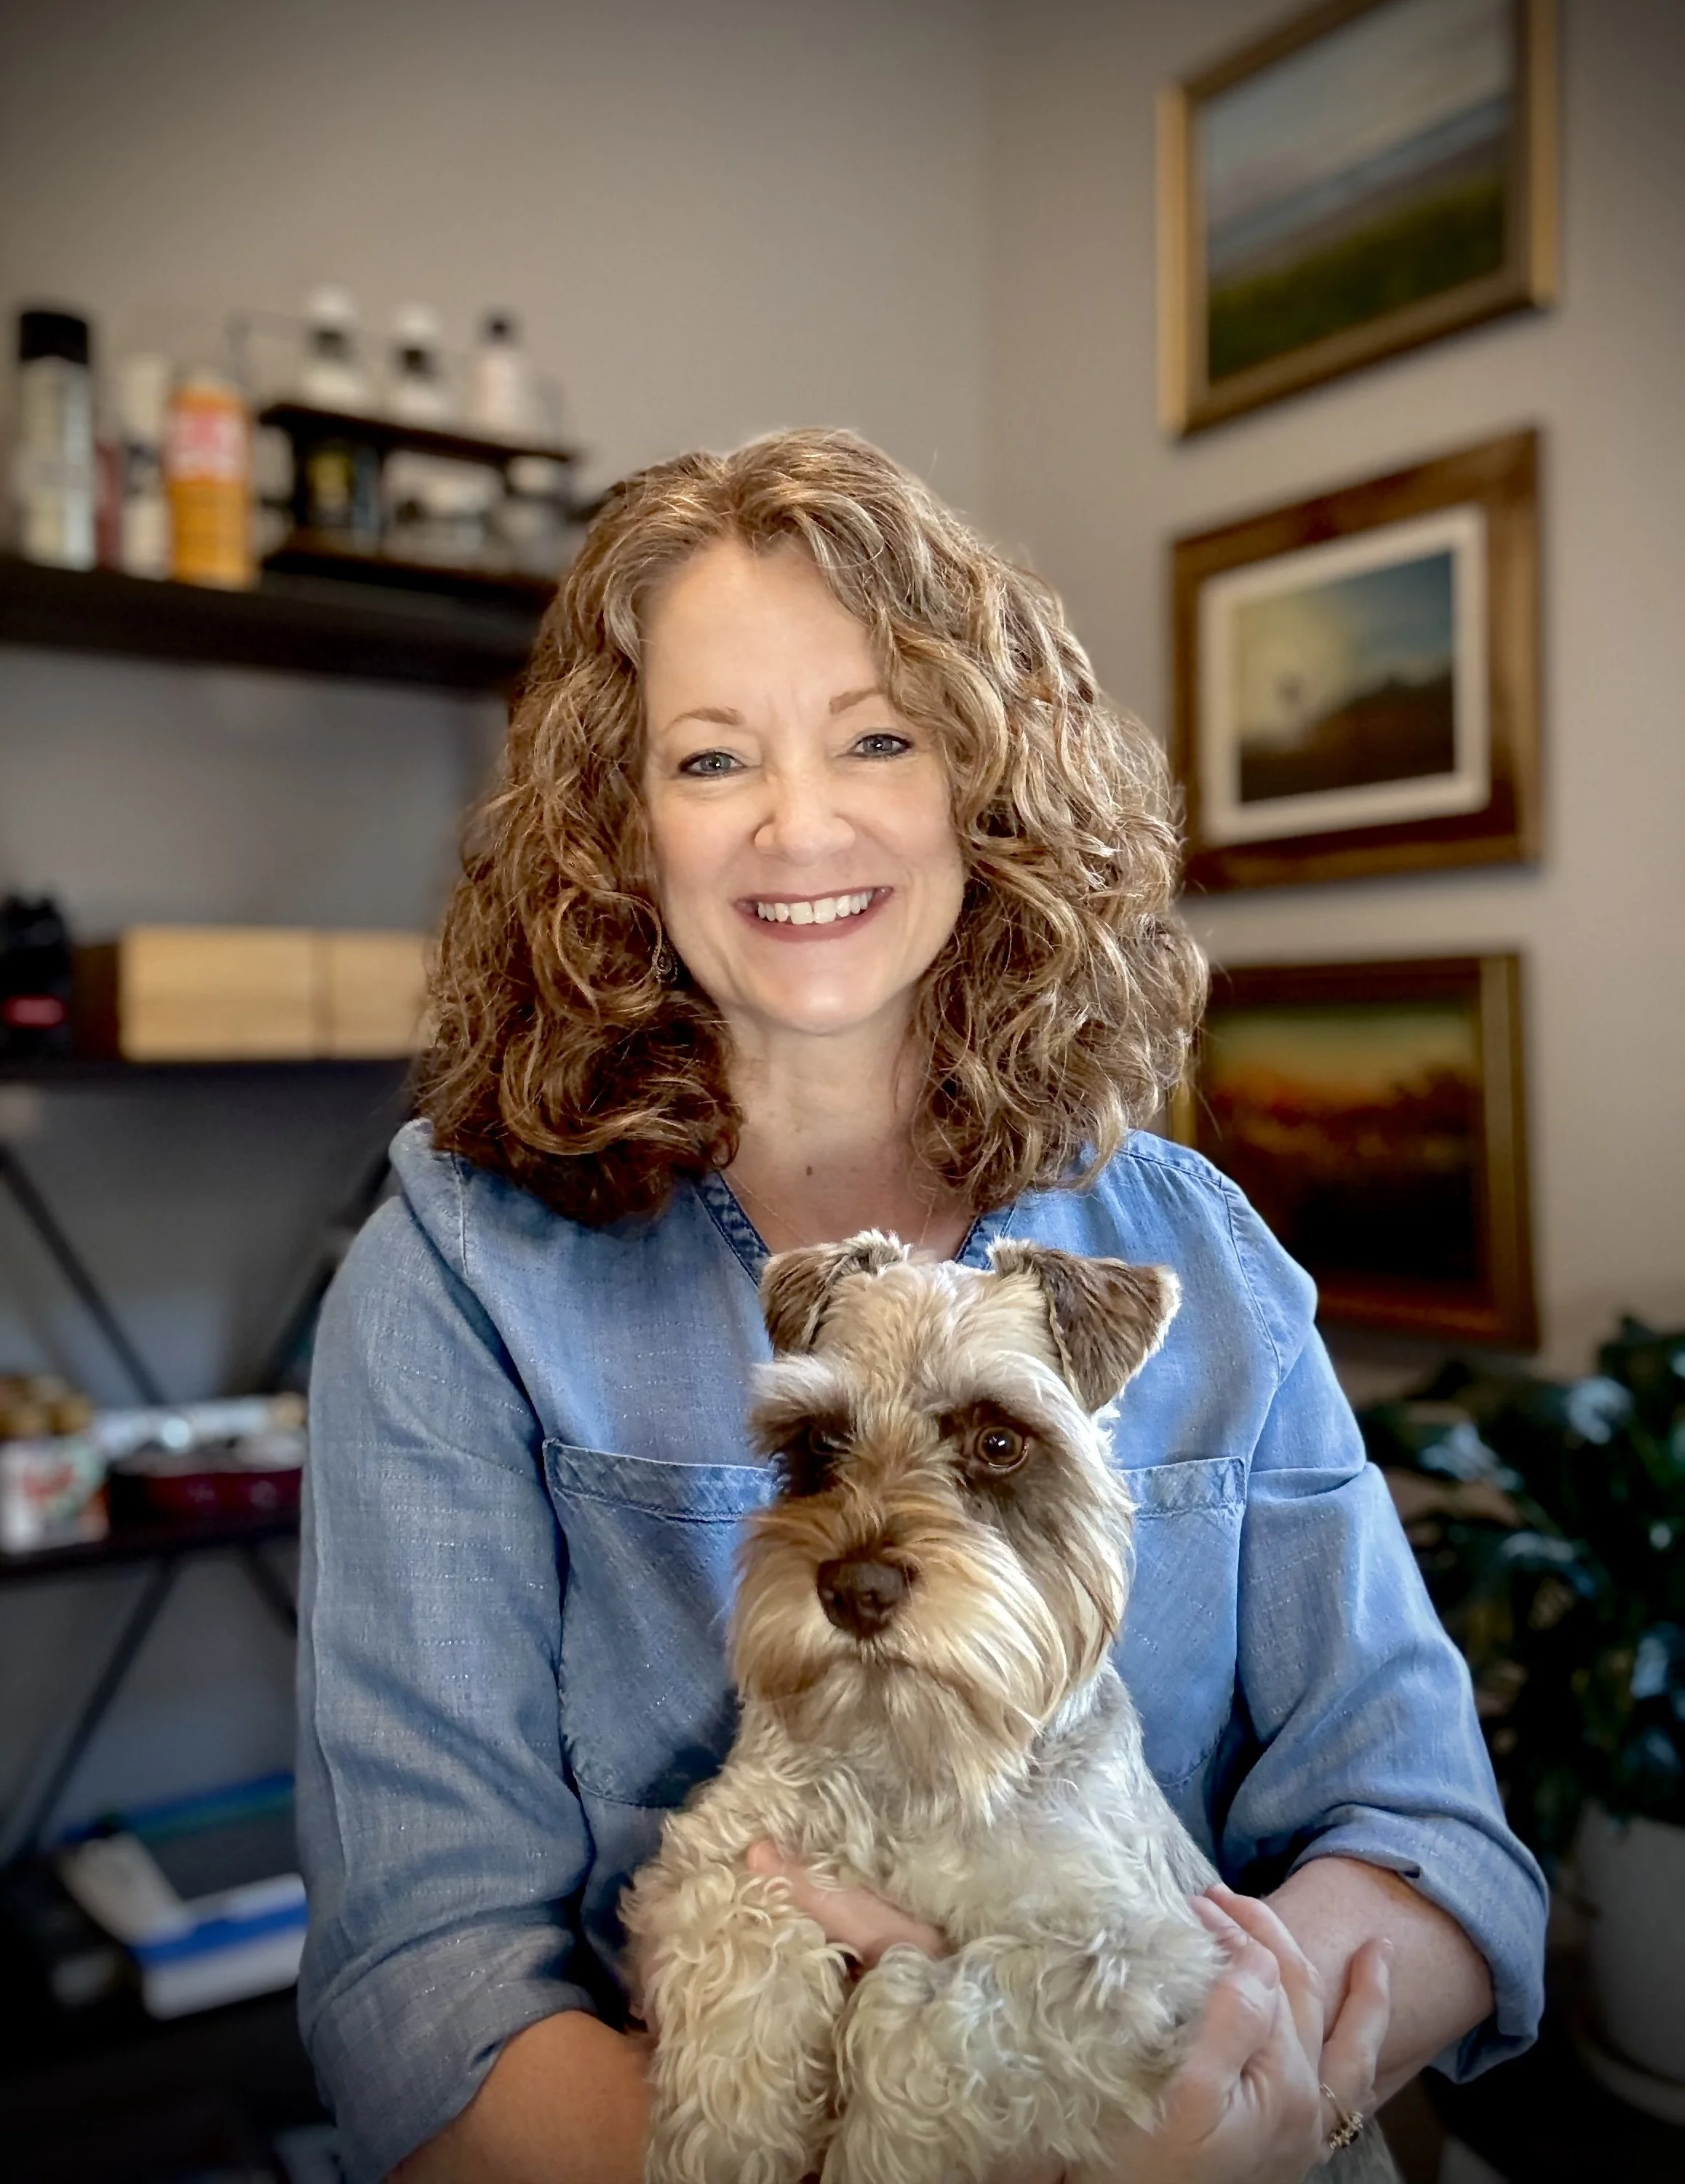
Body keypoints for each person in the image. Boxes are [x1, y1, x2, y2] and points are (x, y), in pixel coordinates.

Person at [296, 429, 1547, 2184]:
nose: (800, 823)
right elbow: (418, 1991)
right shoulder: (451, 1278)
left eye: (878, 735)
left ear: (985, 778)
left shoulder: (1199, 1250)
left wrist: (1241, 2097)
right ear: (618, 822)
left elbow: (1433, 1839)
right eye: (711, 754)